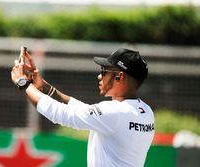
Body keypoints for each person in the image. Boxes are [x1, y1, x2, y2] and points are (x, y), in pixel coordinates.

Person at [11, 47, 155, 167]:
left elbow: (60, 113)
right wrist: (43, 87)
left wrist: (23, 83)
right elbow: (83, 110)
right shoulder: (146, 112)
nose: (100, 76)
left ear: (120, 76)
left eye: (105, 71)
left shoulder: (114, 112)